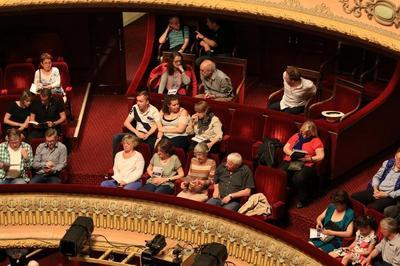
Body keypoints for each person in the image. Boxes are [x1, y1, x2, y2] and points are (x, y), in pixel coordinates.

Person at [281, 120, 324, 208]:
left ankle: (303, 199)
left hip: (306, 163)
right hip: (292, 160)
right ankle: (282, 195)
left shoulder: (316, 141)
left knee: (299, 177)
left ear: (312, 132)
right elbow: (285, 148)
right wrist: (291, 154)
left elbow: (320, 156)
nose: (304, 135)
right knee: (281, 172)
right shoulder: (296, 136)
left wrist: (309, 158)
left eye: (307, 134)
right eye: (303, 133)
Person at [112, 90, 160, 157]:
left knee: (151, 146)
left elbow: (157, 125)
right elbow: (126, 123)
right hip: (136, 133)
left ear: (147, 102)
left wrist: (147, 134)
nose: (138, 103)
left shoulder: (154, 110)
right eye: (137, 101)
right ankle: (115, 161)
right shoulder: (135, 107)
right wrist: (136, 132)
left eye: (141, 101)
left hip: (149, 135)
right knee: (116, 137)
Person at [352, 148, 400, 212]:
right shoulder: (388, 163)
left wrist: (387, 194)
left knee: (373, 208)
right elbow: (377, 177)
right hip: (377, 190)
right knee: (354, 197)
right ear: (395, 157)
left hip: (390, 196)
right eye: (398, 159)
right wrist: (375, 189)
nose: (399, 162)